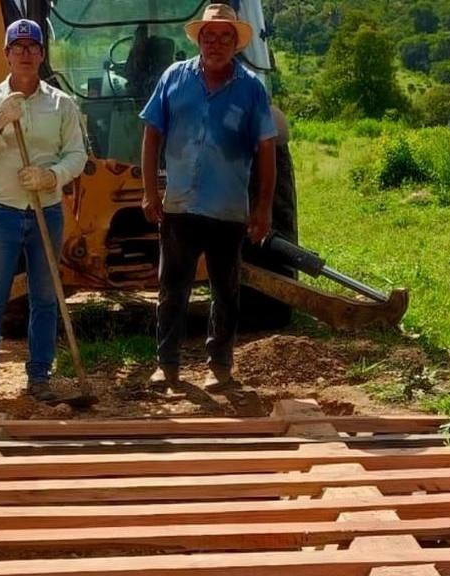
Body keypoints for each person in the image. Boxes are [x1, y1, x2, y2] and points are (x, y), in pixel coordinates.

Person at [139, 4, 278, 390]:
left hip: (227, 208)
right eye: (209, 36)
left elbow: (266, 149)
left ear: (236, 43)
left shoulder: (251, 88)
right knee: (172, 290)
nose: (216, 43)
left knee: (226, 292)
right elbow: (152, 135)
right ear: (199, 40)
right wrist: (150, 192)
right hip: (180, 205)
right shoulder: (174, 77)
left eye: (225, 37)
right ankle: (167, 365)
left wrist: (263, 208)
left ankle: (219, 366)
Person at [0, 18, 87, 402]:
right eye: (18, 47)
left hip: (47, 211)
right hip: (3, 213)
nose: (26, 54)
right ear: (7, 55)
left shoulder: (61, 103)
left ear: (42, 55)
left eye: (32, 47)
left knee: (45, 297)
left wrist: (51, 175)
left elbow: (77, 154)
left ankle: (40, 379)